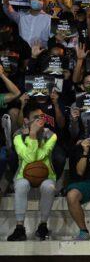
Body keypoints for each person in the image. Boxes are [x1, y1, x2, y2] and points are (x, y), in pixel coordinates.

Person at [7, 103, 57, 241]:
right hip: (24, 174)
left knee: (49, 187)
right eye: (35, 118)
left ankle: (42, 225)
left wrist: (33, 135)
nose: (39, 120)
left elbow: (38, 157)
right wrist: (33, 134)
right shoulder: (17, 135)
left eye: (41, 117)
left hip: (46, 174)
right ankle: (19, 228)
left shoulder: (51, 135)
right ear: (26, 121)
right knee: (21, 185)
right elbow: (29, 158)